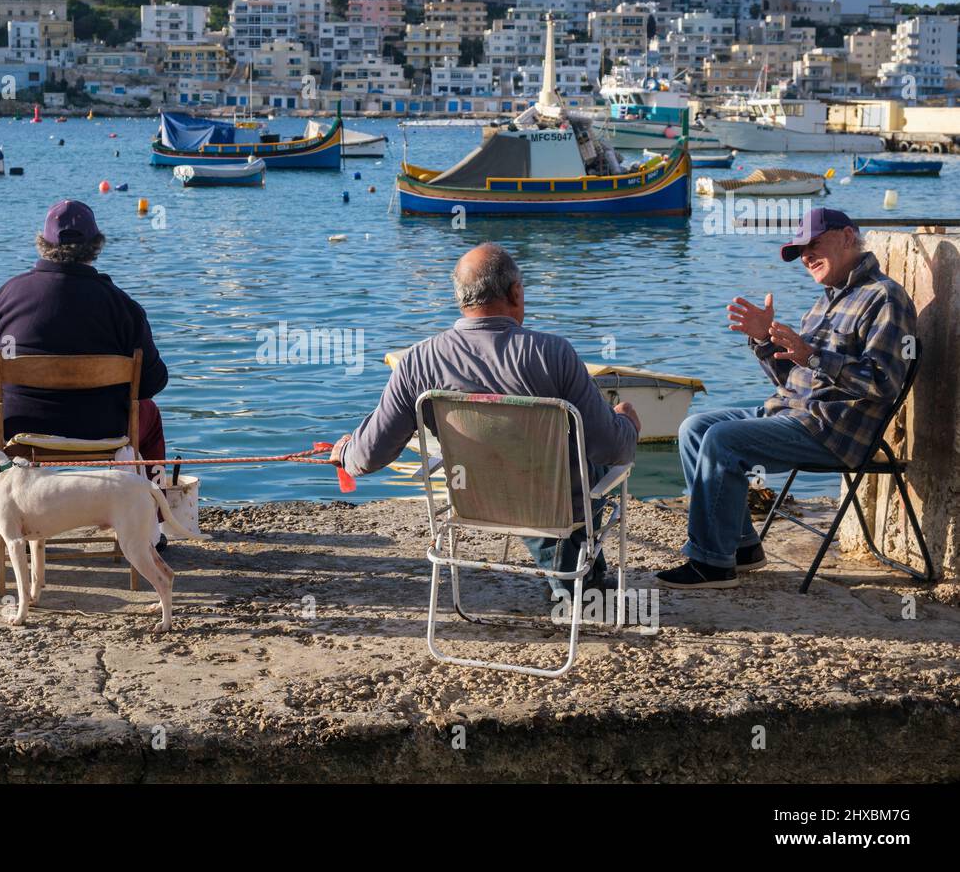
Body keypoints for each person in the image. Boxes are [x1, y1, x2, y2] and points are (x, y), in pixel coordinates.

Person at [330, 243, 640, 592]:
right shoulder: (554, 354)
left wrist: (344, 452)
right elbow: (612, 449)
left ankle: (578, 580)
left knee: (545, 468)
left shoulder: (418, 362)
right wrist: (627, 422)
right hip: (554, 506)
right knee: (583, 461)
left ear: (461, 298)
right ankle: (578, 580)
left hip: (472, 502)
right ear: (515, 292)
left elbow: (369, 455)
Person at [657, 207, 917, 590]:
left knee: (722, 440)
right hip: (795, 412)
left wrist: (810, 355)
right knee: (695, 427)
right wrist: (765, 342)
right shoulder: (826, 300)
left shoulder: (884, 298)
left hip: (833, 429)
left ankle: (711, 564)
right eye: (800, 252)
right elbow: (796, 379)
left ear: (848, 237)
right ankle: (743, 547)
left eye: (814, 244)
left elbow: (882, 384)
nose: (807, 257)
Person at [0, 198, 169, 465]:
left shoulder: (5, 297)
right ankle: (151, 504)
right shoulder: (121, 306)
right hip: (104, 433)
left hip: (15, 432)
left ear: (43, 244)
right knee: (150, 413)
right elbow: (152, 382)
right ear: (96, 246)